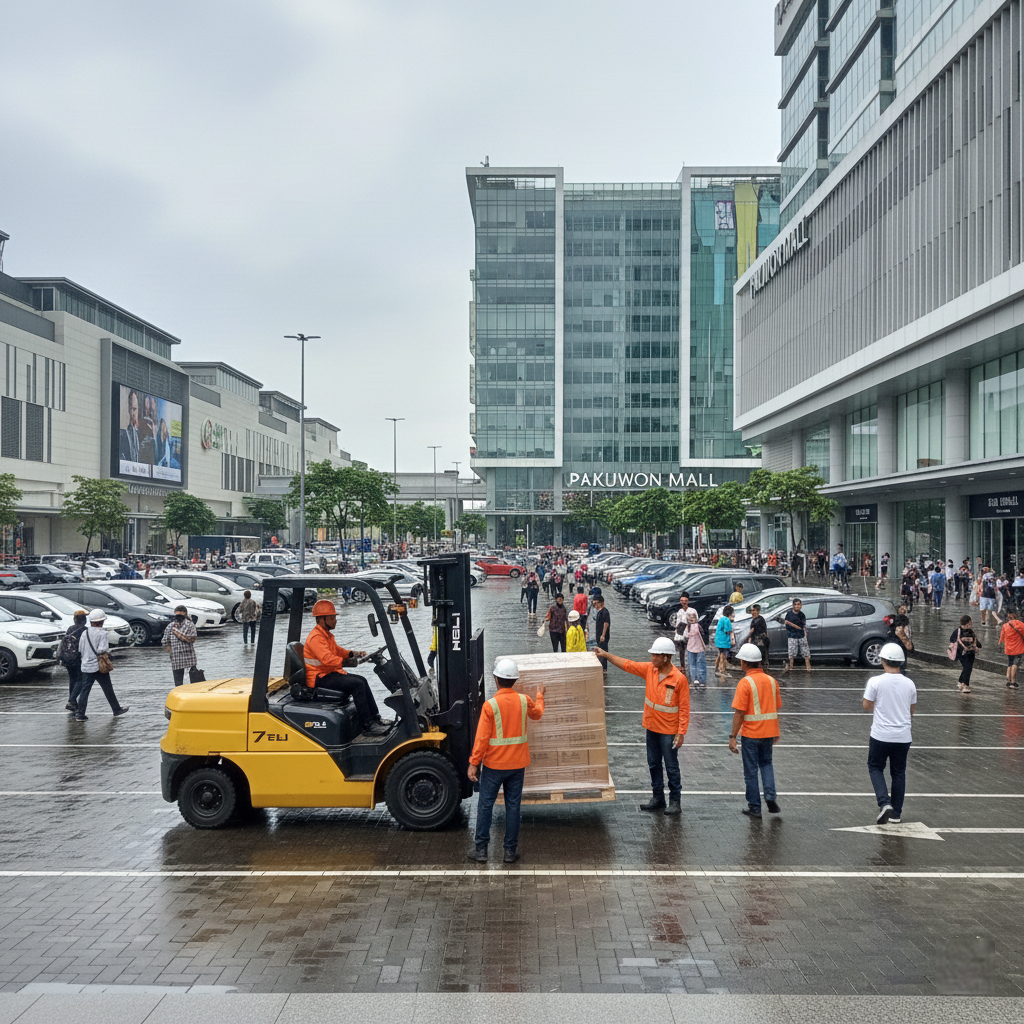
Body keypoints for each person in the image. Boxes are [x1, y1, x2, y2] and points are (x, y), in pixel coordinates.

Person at [596, 636, 689, 815]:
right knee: (653, 764)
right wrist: (606, 655)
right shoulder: (650, 670)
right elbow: (628, 664)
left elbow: (684, 709)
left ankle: (675, 801)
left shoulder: (679, 679)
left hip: (669, 731)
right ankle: (658, 798)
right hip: (652, 727)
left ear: (666, 657)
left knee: (671, 766)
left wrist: (681, 732)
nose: (652, 658)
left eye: (655, 655)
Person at [467, 657, 545, 864]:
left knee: (485, 805)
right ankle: (510, 851)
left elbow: (482, 739)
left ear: (495, 679)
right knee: (513, 806)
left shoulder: (490, 706)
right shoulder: (524, 700)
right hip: (518, 765)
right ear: (515, 681)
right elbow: (537, 714)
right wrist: (540, 695)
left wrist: (474, 763)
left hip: (494, 766)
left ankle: (481, 850)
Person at [303, 599, 389, 734]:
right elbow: (327, 659)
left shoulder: (326, 635)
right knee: (357, 684)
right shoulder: (316, 638)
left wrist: (354, 654)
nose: (335, 621)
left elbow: (337, 651)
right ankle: (367, 726)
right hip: (319, 678)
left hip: (328, 673)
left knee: (362, 680)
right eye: (332, 618)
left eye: (334, 618)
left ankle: (375, 718)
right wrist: (349, 662)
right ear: (321, 619)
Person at [863, 642, 917, 825]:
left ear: (883, 660)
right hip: (903, 736)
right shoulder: (910, 684)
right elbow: (911, 710)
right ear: (900, 662)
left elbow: (866, 706)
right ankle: (897, 813)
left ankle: (884, 802)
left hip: (880, 735)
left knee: (875, 766)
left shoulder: (875, 682)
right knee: (898, 772)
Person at [727, 643, 781, 818]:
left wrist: (733, 736)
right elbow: (776, 707)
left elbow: (739, 713)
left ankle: (755, 807)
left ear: (744, 663)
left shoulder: (745, 683)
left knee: (750, 771)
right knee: (766, 764)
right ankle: (771, 796)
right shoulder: (772, 681)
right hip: (769, 732)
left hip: (751, 734)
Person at [71, 609, 129, 721]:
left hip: (86, 666)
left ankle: (80, 714)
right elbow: (103, 649)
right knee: (108, 688)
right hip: (99, 666)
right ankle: (116, 709)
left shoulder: (85, 632)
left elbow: (80, 649)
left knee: (85, 690)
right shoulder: (102, 633)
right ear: (101, 621)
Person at [59, 610, 88, 713]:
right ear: (84, 620)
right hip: (78, 659)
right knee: (81, 679)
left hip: (68, 659)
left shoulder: (70, 629)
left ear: (74, 619)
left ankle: (73, 702)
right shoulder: (85, 630)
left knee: (72, 680)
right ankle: (71, 701)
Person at [162, 605, 198, 685]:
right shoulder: (190, 625)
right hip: (189, 656)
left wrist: (170, 651)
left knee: (178, 683)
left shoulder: (171, 626)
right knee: (195, 680)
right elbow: (193, 638)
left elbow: (164, 641)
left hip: (176, 657)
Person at [950, 614, 981, 693]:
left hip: (970, 653)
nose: (970, 625)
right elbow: (952, 639)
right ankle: (965, 685)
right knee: (967, 668)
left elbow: (975, 640)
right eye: (969, 624)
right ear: (965, 624)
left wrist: (977, 645)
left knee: (968, 668)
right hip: (961, 653)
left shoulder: (971, 631)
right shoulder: (958, 631)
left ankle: (962, 683)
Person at [784, 597, 811, 674]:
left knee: (805, 652)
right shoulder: (789, 614)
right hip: (792, 636)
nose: (797, 606)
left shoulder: (802, 615)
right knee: (792, 653)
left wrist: (805, 635)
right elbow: (786, 624)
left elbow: (803, 626)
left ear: (801, 605)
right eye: (795, 604)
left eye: (798, 604)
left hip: (801, 635)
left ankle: (808, 668)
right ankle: (791, 667)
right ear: (793, 605)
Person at [682, 608, 707, 689]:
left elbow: (685, 636)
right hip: (700, 647)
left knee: (692, 665)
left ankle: (694, 680)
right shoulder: (698, 626)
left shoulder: (687, 627)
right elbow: (703, 634)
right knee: (701, 664)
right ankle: (702, 681)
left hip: (690, 647)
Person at [998, 611, 1024, 689]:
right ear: (1016, 615)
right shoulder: (1021, 624)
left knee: (1009, 664)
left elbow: (1002, 638)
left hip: (1009, 649)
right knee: (1015, 664)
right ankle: (1013, 681)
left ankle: (1009, 681)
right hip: (1018, 648)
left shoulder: (1005, 625)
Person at [118, 388, 142, 464]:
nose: (133, 413)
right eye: (131, 409)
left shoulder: (143, 434)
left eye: (135, 409)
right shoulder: (124, 434)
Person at [670, 593, 691, 670]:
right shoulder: (680, 611)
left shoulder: (692, 611)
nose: (683, 602)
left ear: (688, 601)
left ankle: (690, 665)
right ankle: (683, 665)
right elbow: (678, 623)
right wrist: (677, 633)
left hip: (689, 633)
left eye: (685, 600)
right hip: (680, 633)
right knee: (681, 651)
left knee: (690, 650)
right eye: (681, 600)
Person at [714, 606, 735, 678]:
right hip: (723, 642)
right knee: (723, 656)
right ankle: (722, 670)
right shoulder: (727, 620)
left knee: (720, 655)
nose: (734, 614)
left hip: (718, 641)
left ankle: (716, 669)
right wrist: (732, 635)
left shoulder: (722, 619)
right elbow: (727, 631)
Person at [748, 603, 770, 668]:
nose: (752, 612)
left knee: (761, 656)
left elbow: (753, 631)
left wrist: (750, 637)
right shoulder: (755, 620)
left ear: (758, 611)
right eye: (752, 611)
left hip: (760, 641)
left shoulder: (758, 620)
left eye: (754, 610)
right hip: (758, 641)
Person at [593, 596, 611, 671]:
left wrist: (603, 635)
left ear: (601, 603)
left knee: (603, 652)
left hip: (603, 637)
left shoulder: (605, 612)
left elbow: (606, 623)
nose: (595, 605)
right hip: (599, 636)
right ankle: (601, 667)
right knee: (600, 651)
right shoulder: (599, 612)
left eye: (596, 603)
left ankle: (604, 669)